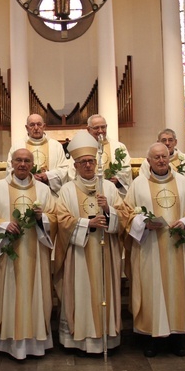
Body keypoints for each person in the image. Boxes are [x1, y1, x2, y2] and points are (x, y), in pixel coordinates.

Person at [54, 131, 131, 356]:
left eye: (91, 161)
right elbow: (62, 220)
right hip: (79, 256)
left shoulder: (108, 188)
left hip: (106, 253)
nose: (88, 165)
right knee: (80, 293)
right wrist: (88, 224)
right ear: (75, 166)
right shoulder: (67, 190)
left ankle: (107, 338)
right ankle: (78, 340)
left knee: (104, 293)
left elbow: (125, 216)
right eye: (83, 162)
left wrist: (109, 211)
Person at [124, 143, 185, 357]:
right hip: (149, 248)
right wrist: (143, 223)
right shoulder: (138, 184)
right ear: (148, 161)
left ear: (170, 158)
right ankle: (151, 338)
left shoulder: (184, 183)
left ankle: (178, 338)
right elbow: (127, 214)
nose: (160, 160)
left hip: (177, 249)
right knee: (152, 290)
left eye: (164, 157)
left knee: (178, 289)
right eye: (156, 157)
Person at [0, 148, 57, 360]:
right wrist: (4, 225)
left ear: (32, 164)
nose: (22, 164)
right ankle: (6, 344)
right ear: (12, 163)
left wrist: (43, 218)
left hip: (36, 254)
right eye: (19, 160)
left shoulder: (43, 190)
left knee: (36, 294)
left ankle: (35, 344)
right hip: (7, 254)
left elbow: (55, 218)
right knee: (7, 294)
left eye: (26, 161)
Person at [6, 114, 70, 195]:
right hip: (24, 192)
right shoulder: (17, 146)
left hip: (50, 193)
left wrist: (48, 176)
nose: (36, 128)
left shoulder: (56, 145)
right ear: (26, 128)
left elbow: (64, 169)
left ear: (44, 126)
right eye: (32, 125)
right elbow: (10, 169)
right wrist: (29, 177)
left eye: (39, 124)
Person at [84, 114, 132, 196]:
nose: (100, 130)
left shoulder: (119, 147)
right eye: (96, 128)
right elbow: (73, 172)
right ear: (88, 129)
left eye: (103, 127)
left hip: (113, 193)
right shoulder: (82, 148)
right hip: (89, 193)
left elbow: (126, 170)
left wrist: (118, 180)